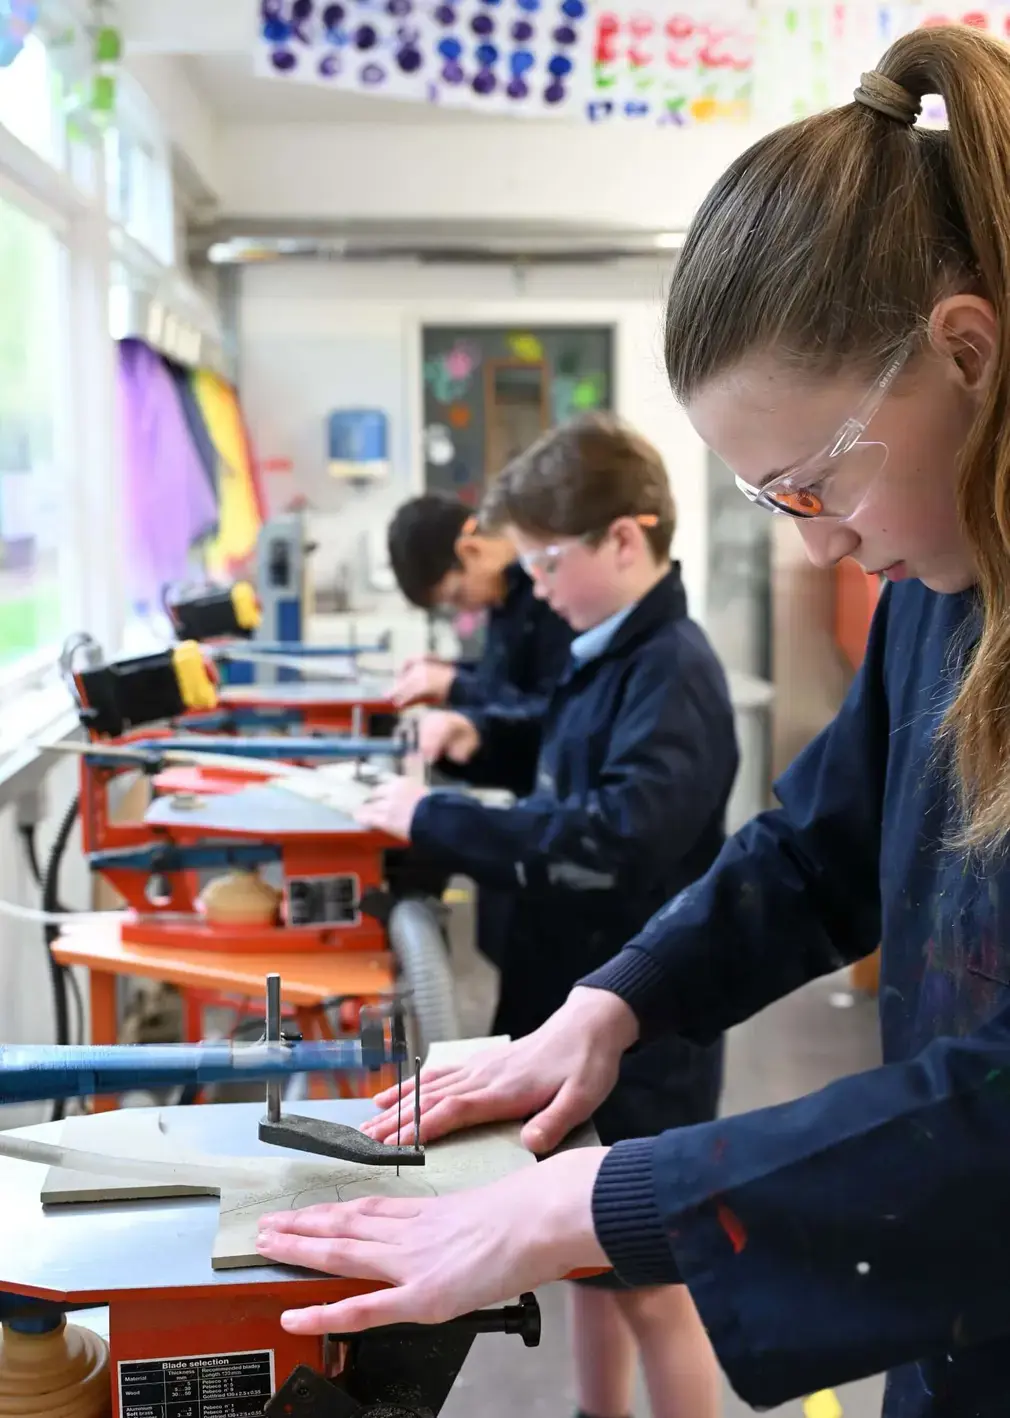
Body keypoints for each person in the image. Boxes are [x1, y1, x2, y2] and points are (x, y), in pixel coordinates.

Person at [256, 24, 1010, 1417]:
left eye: (811, 482)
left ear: (964, 351)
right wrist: (611, 1004)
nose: (819, 545)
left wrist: (605, 1198)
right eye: (775, 503)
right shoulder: (940, 585)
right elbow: (812, 852)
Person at [275, 414, 738, 1418]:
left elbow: (605, 835)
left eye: (545, 561)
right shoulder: (605, 647)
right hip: (568, 997)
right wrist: (469, 730)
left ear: (625, 539)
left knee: (651, 1279)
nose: (530, 586)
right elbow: (545, 741)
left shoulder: (675, 675)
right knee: (575, 1244)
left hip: (640, 1027)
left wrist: (430, 813)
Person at [386, 494, 571, 798]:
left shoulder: (549, 598)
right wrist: (452, 672)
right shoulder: (505, 596)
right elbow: (510, 684)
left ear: (470, 550)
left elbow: (558, 714)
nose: (466, 610)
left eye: (458, 595)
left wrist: (456, 687)